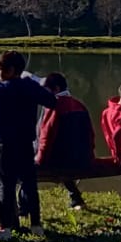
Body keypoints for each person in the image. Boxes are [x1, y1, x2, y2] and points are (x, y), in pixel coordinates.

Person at [0, 51, 57, 241]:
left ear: (10, 70)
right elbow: (51, 101)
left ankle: (5, 227)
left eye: (0, 70)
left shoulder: (1, 89)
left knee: (6, 185)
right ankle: (36, 225)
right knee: (29, 184)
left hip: (5, 144)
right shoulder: (30, 87)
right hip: (26, 143)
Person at [35, 73, 95, 210]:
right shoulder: (79, 104)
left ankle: (24, 207)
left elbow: (46, 137)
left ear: (55, 89)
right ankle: (76, 197)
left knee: (23, 167)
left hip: (60, 161)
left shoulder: (54, 106)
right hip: (82, 159)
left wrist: (39, 159)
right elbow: (91, 135)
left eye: (45, 90)